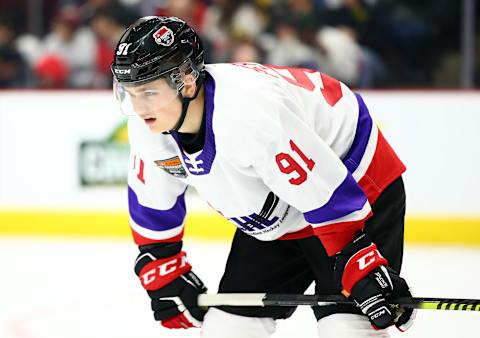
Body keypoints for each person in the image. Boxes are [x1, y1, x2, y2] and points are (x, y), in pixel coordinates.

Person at [111, 16, 416, 338]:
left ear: (186, 80)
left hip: (352, 184)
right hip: (281, 207)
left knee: (344, 327)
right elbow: (152, 204)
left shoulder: (248, 113)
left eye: (148, 92)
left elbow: (327, 194)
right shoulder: (150, 126)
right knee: (227, 329)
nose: (138, 106)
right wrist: (162, 265)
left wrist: (361, 261)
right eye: (130, 92)